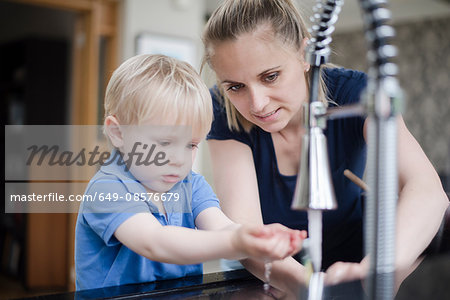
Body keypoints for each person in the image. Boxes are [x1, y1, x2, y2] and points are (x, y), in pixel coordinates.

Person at [201, 0, 449, 295]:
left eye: (270, 76)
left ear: (306, 55)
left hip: (356, 258)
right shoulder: (221, 110)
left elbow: (427, 191)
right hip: (274, 277)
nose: (257, 104)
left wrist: (377, 268)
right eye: (235, 87)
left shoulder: (354, 92)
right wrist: (308, 286)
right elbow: (247, 231)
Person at [74, 54, 307, 290]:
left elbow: (223, 227)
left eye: (191, 145)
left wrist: (255, 238)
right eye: (164, 143)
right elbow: (154, 242)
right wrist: (236, 242)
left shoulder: (190, 184)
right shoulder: (108, 189)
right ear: (118, 133)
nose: (179, 160)